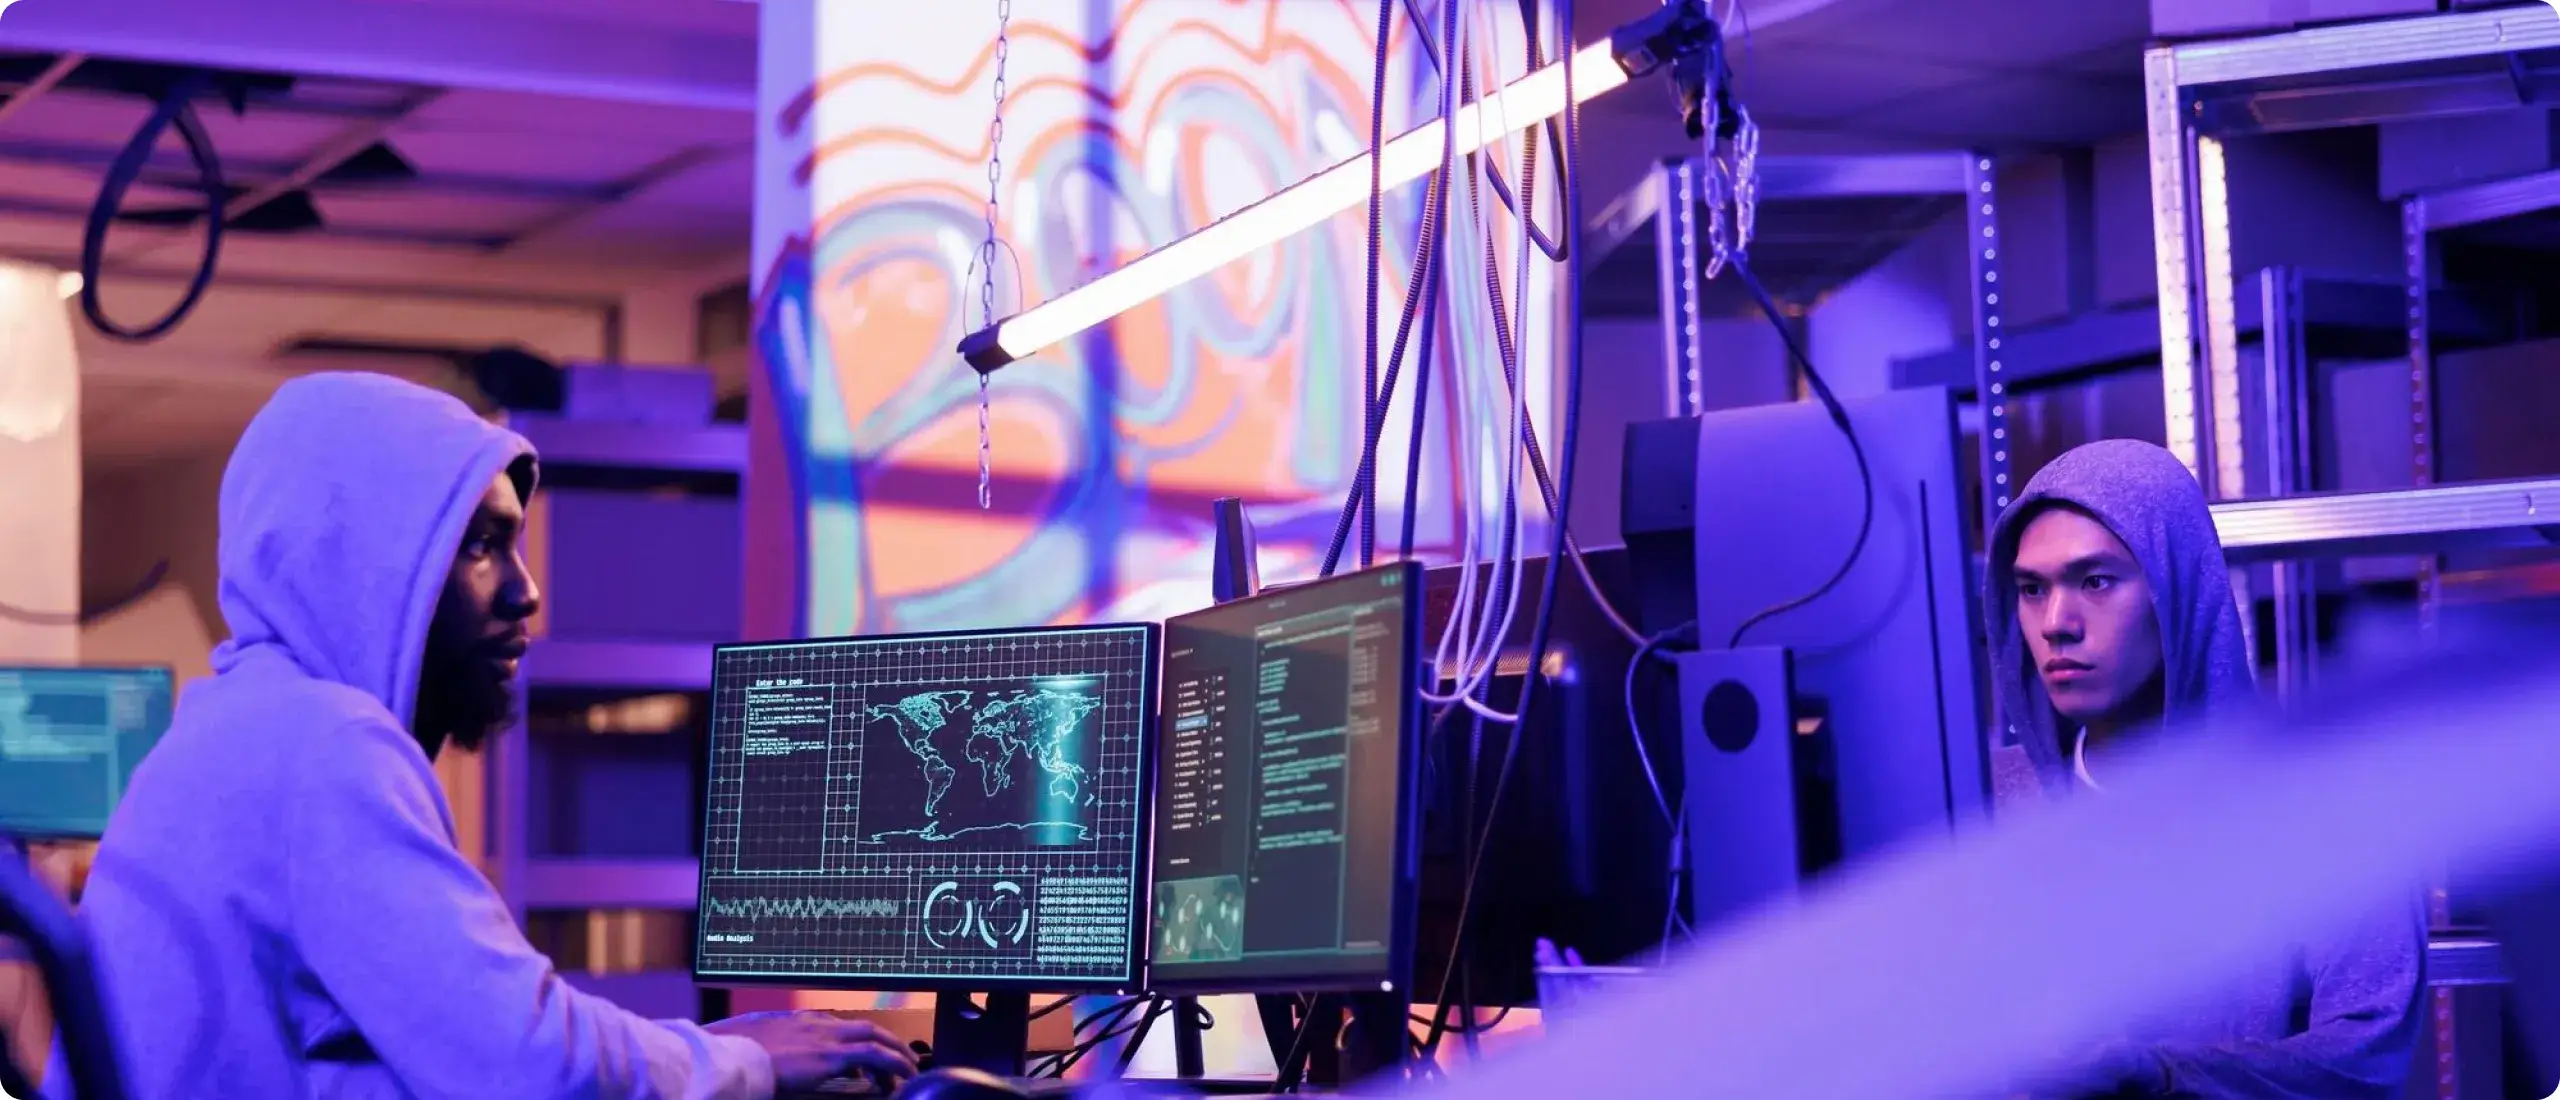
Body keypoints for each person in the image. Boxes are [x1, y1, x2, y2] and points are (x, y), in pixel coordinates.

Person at [73, 373, 917, 1099]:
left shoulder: (230, 731)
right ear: (360, 560)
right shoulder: (322, 746)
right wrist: (746, 1065)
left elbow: (464, 1042)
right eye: (481, 545)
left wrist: (699, 1053)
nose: (527, 592)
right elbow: (532, 1068)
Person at [1982, 439, 2426, 1098]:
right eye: (2031, 589)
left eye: (2095, 581)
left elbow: (2367, 1059)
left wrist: (2161, 1077)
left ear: (2179, 591)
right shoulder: (1986, 807)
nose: (2056, 624)